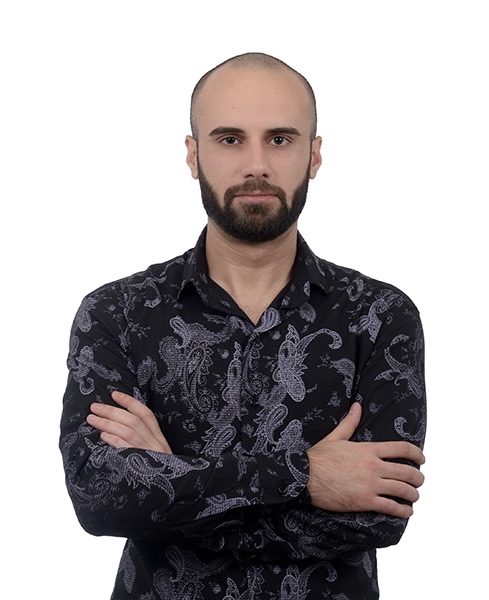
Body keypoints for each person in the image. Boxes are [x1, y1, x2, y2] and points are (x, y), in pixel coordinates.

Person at [60, 52, 426, 600]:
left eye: (279, 139)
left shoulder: (380, 316)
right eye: (230, 139)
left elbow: (379, 517)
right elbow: (99, 498)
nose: (256, 164)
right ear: (194, 155)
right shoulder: (117, 313)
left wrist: (172, 476)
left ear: (314, 155)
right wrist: (307, 475)